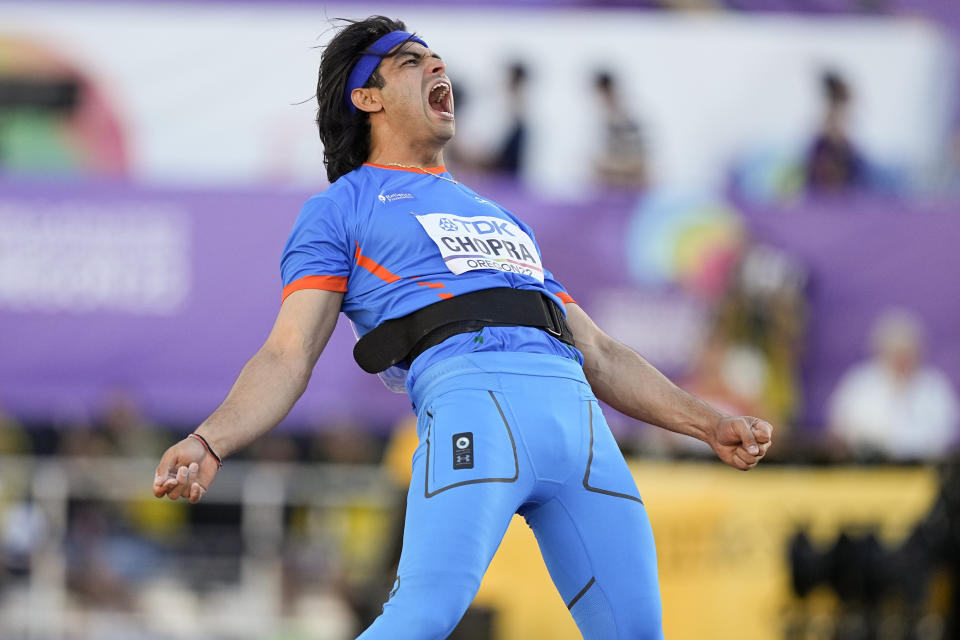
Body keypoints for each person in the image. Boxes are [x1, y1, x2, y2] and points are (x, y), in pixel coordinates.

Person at [152, 16, 773, 640]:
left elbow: (602, 352)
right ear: (366, 98)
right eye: (411, 61)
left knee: (638, 632)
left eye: (437, 57)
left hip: (581, 430)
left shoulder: (500, 218)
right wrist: (210, 442)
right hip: (474, 410)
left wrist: (708, 422)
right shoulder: (340, 208)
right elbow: (287, 357)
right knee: (421, 620)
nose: (437, 66)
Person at [827, 308, 959, 462]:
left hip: (925, 468)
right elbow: (839, 430)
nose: (901, 360)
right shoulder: (859, 385)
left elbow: (948, 432)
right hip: (869, 471)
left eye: (907, 353)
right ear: (881, 351)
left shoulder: (935, 387)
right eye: (896, 352)